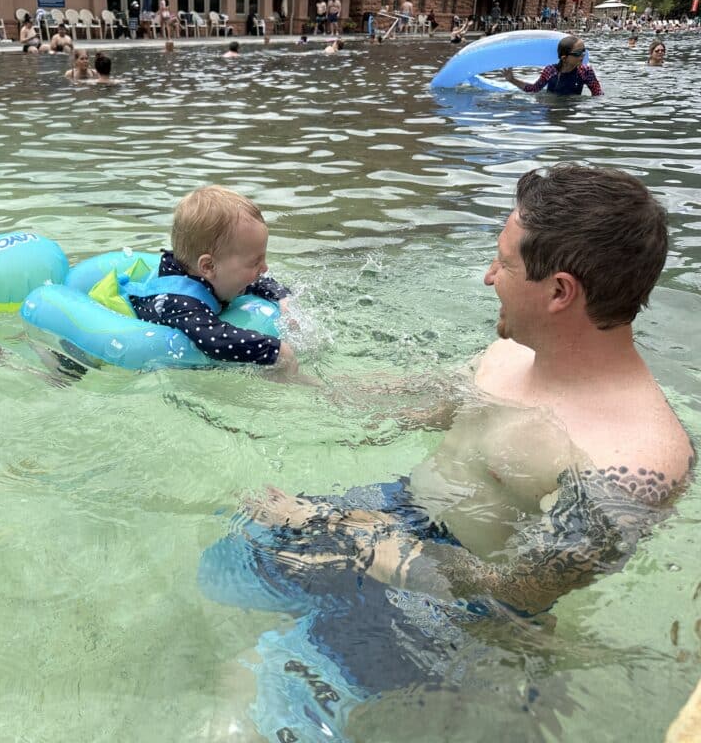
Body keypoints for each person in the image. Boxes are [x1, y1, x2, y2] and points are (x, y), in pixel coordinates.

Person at [201, 165, 693, 741]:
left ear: (560, 291)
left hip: (450, 613)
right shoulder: (510, 355)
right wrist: (292, 376)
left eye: (504, 264)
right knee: (224, 564)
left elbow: (518, 592)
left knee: (251, 706)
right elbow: (408, 407)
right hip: (394, 516)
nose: (489, 278)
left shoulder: (635, 461)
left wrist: (340, 529)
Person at [127, 185, 297, 374]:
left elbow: (254, 281)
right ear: (208, 266)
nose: (264, 268)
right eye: (255, 262)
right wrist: (275, 350)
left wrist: (281, 296)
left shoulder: (212, 274)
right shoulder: (181, 303)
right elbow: (213, 340)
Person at [503, 35, 602, 95]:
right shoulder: (551, 71)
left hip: (573, 110)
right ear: (564, 58)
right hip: (552, 107)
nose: (582, 56)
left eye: (583, 51)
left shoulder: (585, 71)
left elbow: (597, 93)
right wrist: (512, 79)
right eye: (578, 53)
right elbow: (534, 89)